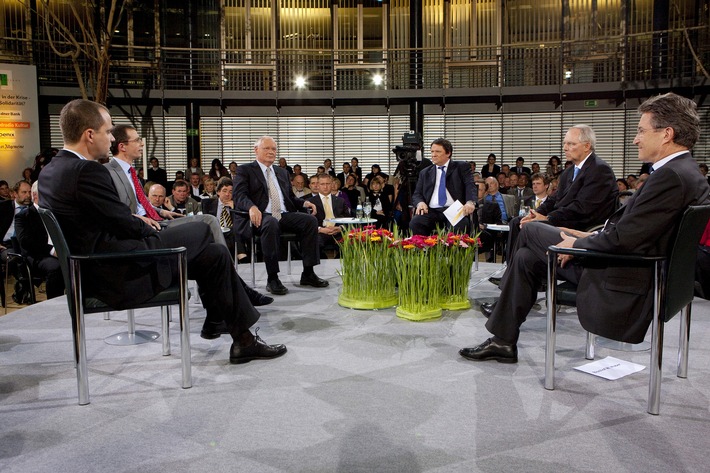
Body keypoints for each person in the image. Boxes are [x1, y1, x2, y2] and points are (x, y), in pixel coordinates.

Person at [460, 92, 710, 364]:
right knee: (525, 257)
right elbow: (636, 231)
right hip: (623, 260)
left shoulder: (671, 177)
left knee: (530, 231)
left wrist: (577, 246)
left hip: (625, 274)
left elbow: (624, 239)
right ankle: (503, 341)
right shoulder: (684, 172)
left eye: (641, 130)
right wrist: (583, 238)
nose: (635, 138)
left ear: (666, 134)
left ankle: (513, 315)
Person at [39, 99, 286, 364]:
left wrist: (135, 221)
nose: (111, 139)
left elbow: (105, 219)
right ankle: (225, 321)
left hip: (97, 265)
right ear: (89, 134)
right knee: (203, 229)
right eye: (108, 131)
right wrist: (144, 224)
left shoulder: (50, 171)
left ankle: (239, 337)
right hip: (117, 270)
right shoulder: (86, 171)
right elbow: (122, 222)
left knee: (214, 254)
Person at [106, 124, 271, 307]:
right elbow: (116, 211)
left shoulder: (131, 172)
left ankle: (227, 295)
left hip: (160, 220)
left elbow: (140, 203)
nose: (141, 144)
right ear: (122, 146)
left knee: (209, 240)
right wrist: (145, 218)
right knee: (208, 222)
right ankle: (237, 286)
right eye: (137, 140)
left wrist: (161, 211)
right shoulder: (109, 172)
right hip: (147, 231)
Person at [503, 125, 618, 264]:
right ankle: (512, 267)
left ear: (587, 146)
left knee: (530, 227)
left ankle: (520, 268)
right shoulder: (568, 172)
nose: (565, 148)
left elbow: (582, 208)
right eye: (565, 143)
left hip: (581, 225)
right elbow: (553, 199)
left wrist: (548, 218)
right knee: (518, 221)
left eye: (571, 144)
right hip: (563, 218)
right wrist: (536, 213)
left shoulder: (600, 170)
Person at [234, 135, 328, 295]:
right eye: (267, 148)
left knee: (310, 221)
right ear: (256, 150)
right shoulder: (246, 170)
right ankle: (272, 278)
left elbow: (289, 198)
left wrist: (304, 203)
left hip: (283, 214)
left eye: (274, 149)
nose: (271, 152)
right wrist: (251, 207)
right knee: (271, 222)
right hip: (260, 217)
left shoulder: (281, 172)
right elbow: (239, 195)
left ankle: (308, 273)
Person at [410, 138, 477, 236]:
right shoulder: (425, 172)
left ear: (448, 153)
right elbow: (417, 194)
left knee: (458, 227)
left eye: (438, 151)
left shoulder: (461, 167)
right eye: (432, 151)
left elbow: (470, 185)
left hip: (455, 210)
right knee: (416, 223)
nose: (433, 154)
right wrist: (420, 203)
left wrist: (470, 202)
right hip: (432, 210)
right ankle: (424, 250)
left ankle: (451, 251)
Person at [14, 181, 65, 299]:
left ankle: (79, 302)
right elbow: (26, 241)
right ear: (35, 196)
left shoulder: (56, 212)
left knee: (80, 261)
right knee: (56, 267)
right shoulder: (23, 216)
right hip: (38, 256)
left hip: (60, 250)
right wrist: (52, 250)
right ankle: (55, 304)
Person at [308, 174, 349, 257]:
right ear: (318, 186)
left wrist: (340, 228)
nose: (325, 187)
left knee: (349, 244)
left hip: (338, 232)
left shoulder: (340, 201)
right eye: (322, 184)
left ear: (331, 185)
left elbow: (348, 220)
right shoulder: (309, 202)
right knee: (314, 244)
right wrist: (321, 229)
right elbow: (307, 223)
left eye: (328, 184)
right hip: (320, 232)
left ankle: (339, 266)